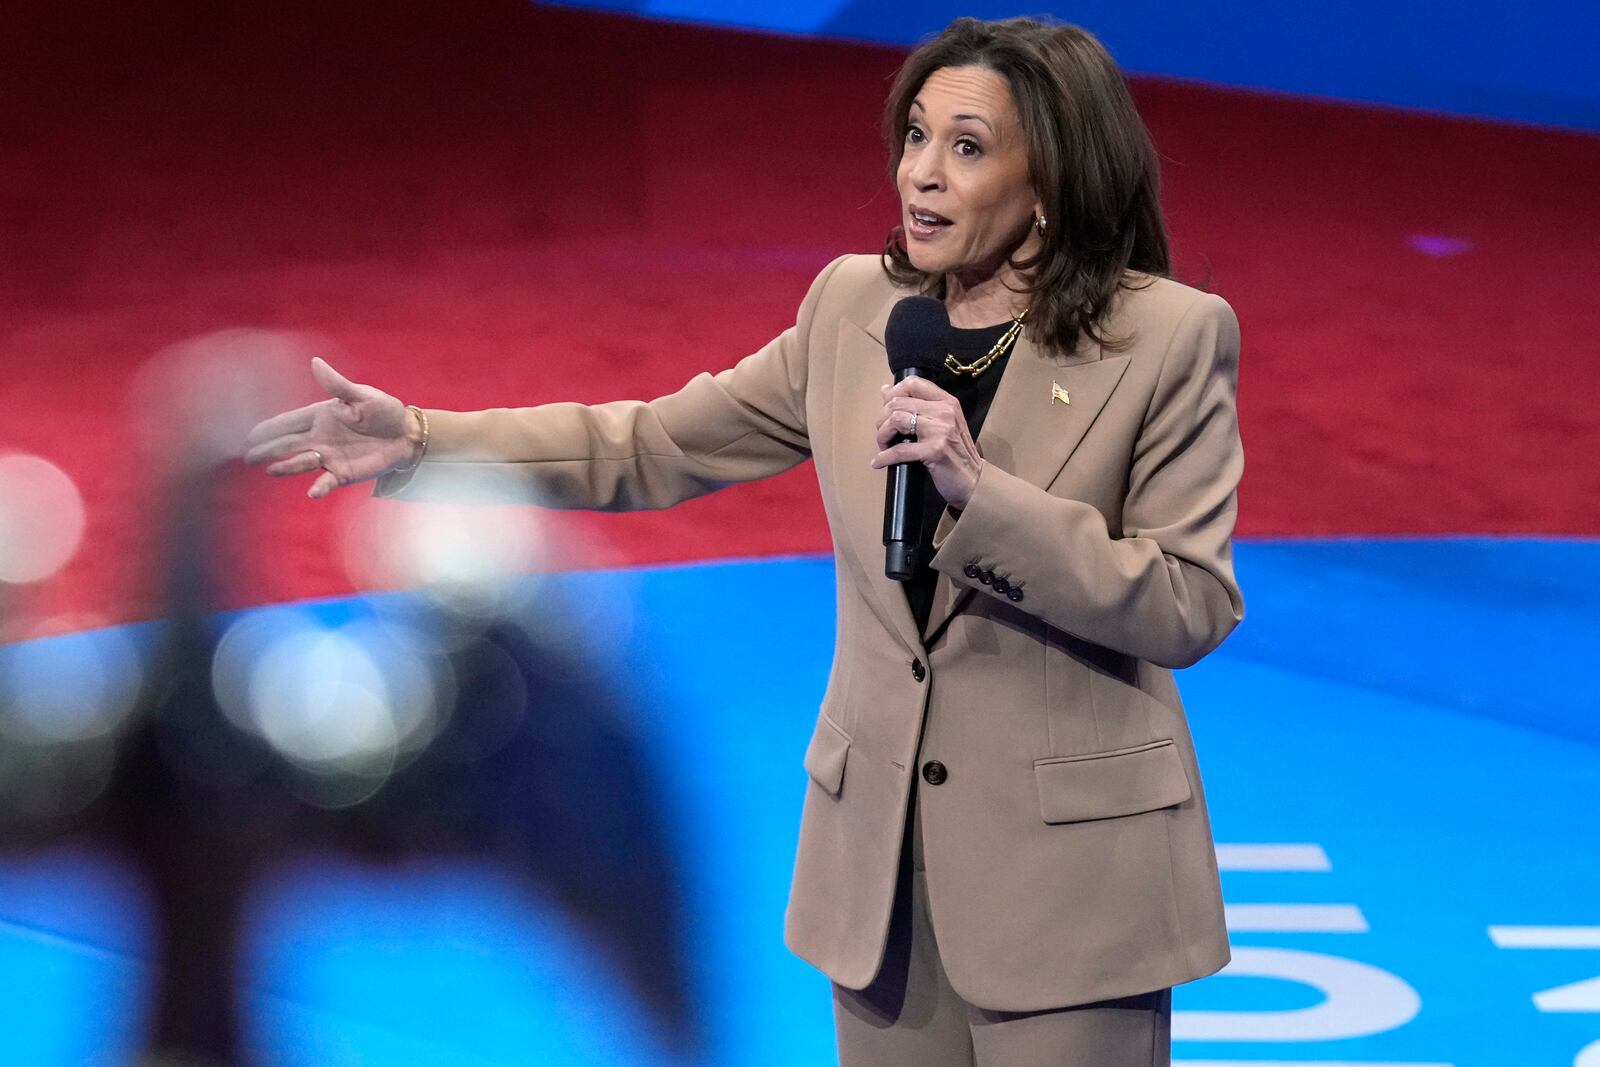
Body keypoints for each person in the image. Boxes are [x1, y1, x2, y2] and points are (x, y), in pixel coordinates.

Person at [245, 16, 1243, 1065]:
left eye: (967, 146)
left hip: (1068, 890)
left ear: (1050, 183)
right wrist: (422, 441)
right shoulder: (855, 309)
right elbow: (654, 442)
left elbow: (1185, 601)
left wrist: (979, 494)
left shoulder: (1168, 336)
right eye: (913, 137)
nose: (922, 176)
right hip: (882, 881)